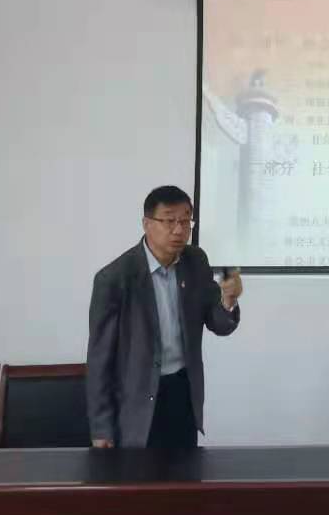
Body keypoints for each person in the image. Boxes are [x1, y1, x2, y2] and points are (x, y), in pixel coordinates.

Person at [87, 185, 242, 449]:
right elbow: (99, 360)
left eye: (185, 221)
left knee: (186, 471)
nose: (179, 230)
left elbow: (218, 323)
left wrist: (228, 300)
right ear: (147, 224)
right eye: (169, 221)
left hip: (183, 391)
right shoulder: (114, 278)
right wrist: (101, 428)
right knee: (139, 474)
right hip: (137, 400)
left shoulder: (195, 261)